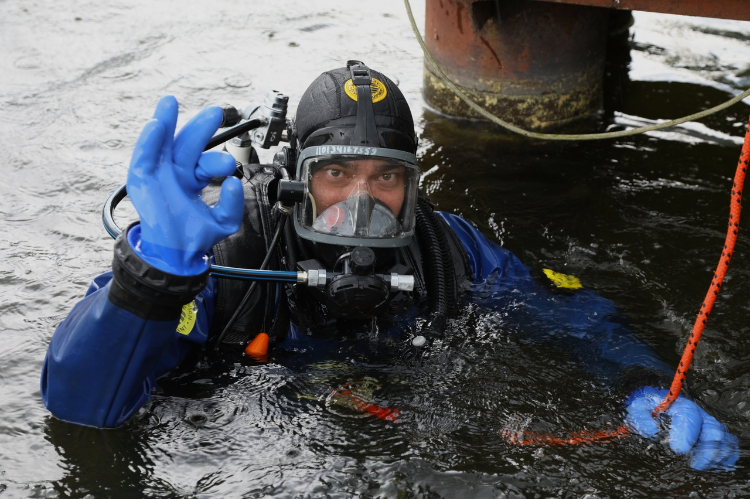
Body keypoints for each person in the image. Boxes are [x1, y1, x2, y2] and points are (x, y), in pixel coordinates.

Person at [41, 61, 738, 470]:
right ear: (295, 178)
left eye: (387, 178)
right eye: (335, 173)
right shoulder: (232, 253)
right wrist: (152, 276)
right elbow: (79, 409)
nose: (361, 202)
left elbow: (570, 312)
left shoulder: (447, 249)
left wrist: (644, 380)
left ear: (414, 182)